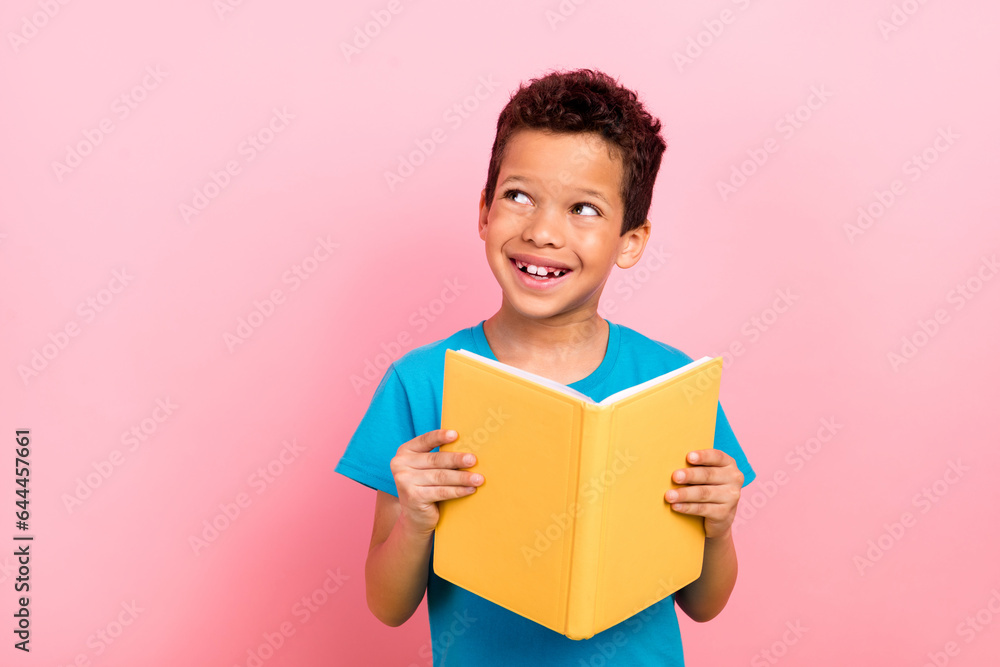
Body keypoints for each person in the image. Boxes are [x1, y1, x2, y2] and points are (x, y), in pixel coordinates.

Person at [335, 67, 756, 666]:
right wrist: (415, 522)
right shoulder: (422, 381)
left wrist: (719, 527)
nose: (543, 231)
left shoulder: (673, 386)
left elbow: (705, 603)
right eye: (518, 196)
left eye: (583, 208)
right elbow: (387, 603)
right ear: (484, 211)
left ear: (630, 241)